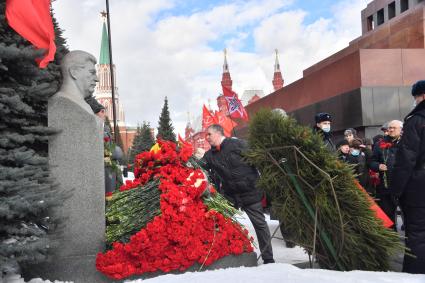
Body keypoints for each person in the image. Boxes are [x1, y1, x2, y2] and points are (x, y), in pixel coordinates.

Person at [201, 124, 275, 264]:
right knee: (218, 221)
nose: (207, 138)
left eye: (209, 134)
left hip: (250, 192)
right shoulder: (210, 155)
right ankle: (222, 255)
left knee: (260, 225)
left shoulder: (238, 144)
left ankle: (268, 259)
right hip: (230, 196)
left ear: (218, 133)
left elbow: (259, 160)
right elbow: (198, 166)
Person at [390, 80, 425, 274]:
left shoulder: (416, 121)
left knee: (418, 235)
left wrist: (396, 190)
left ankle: (415, 275)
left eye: (416, 97)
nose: (415, 101)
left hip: (419, 187)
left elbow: (406, 160)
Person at [369, 120, 403, 227]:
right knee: (388, 218)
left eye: (394, 128)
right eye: (390, 128)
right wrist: (378, 166)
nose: (391, 130)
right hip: (386, 187)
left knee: (408, 216)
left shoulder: (407, 143)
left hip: (404, 187)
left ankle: (409, 241)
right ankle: (392, 240)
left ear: (401, 130)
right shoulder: (379, 144)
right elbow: (371, 162)